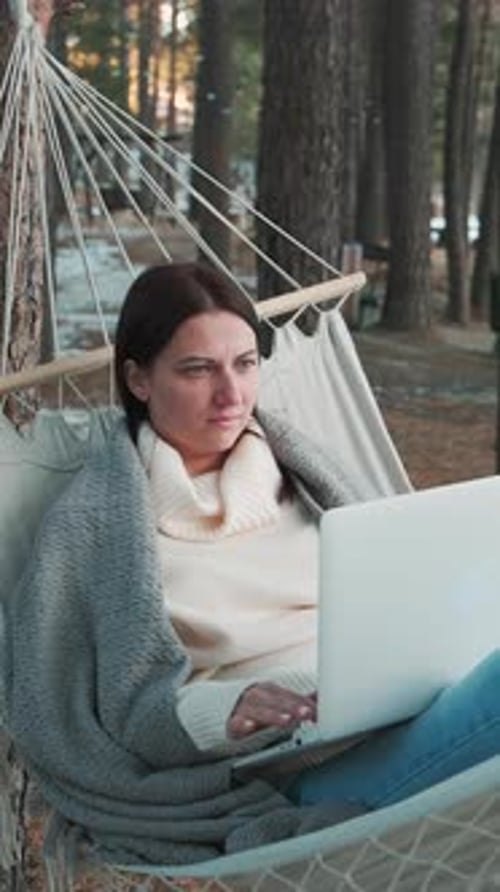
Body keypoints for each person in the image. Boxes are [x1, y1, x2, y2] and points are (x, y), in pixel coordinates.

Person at [4, 262, 500, 868]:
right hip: (298, 772)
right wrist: (229, 710)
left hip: (412, 707)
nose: (232, 394)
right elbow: (124, 712)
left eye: (245, 363)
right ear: (138, 379)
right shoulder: (98, 528)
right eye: (197, 370)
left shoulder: (306, 473)